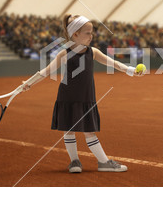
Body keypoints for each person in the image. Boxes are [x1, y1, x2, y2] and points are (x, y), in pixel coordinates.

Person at [21, 14, 145, 173]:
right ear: (75, 35)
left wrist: (131, 70)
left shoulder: (92, 52)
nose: (91, 36)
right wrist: (29, 83)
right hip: (67, 97)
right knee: (69, 129)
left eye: (92, 32)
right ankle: (75, 162)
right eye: (88, 33)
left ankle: (103, 162)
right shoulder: (64, 54)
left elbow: (113, 63)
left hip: (87, 98)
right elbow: (46, 72)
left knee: (89, 131)